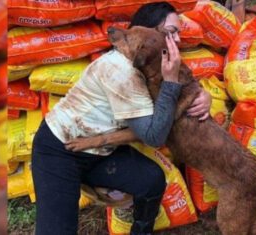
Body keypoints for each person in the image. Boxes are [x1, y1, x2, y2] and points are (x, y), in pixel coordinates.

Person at [31, 2, 212, 235]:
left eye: (178, 33)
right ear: (147, 31)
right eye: (171, 32)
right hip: (60, 150)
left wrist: (204, 96)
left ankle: (141, 230)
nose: (177, 40)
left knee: (151, 180)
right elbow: (154, 136)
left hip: (100, 152)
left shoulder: (153, 57)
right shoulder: (122, 71)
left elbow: (188, 86)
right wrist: (170, 84)